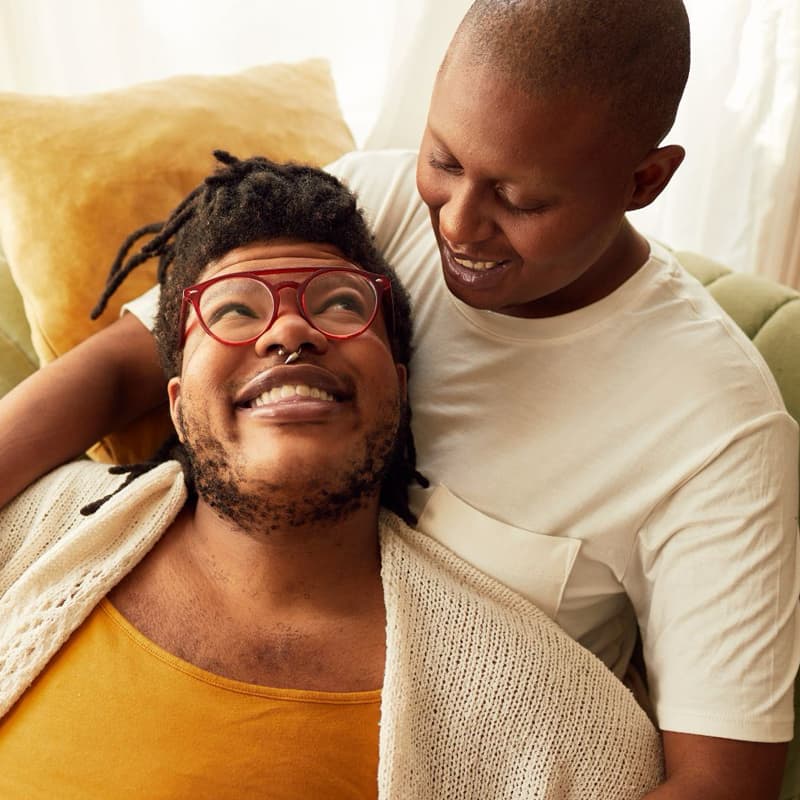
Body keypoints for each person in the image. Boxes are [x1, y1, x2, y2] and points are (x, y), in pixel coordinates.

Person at [0, 1, 797, 797]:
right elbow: (126, 365)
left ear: (645, 180)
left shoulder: (718, 433)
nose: (456, 225)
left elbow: (723, 784)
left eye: (521, 202)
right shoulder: (373, 208)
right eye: (444, 160)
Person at [0, 153, 664, 798]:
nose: (289, 327)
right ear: (176, 403)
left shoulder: (563, 723)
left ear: (398, 392)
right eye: (234, 311)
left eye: (342, 305)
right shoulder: (33, 530)